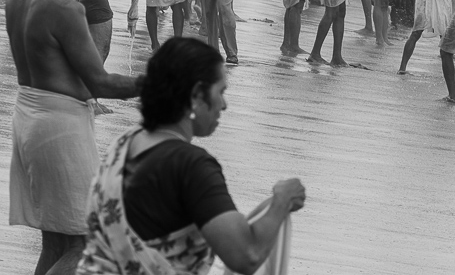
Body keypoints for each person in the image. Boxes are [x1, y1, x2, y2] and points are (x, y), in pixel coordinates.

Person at [76, 37, 306, 275]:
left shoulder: (124, 146)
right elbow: (246, 255)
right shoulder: (191, 166)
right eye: (221, 91)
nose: (224, 105)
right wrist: (283, 198)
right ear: (197, 94)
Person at [7, 0, 143, 275]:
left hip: (28, 117)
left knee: (56, 243)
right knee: (86, 243)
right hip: (60, 128)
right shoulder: (65, 8)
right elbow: (100, 83)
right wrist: (156, 81)